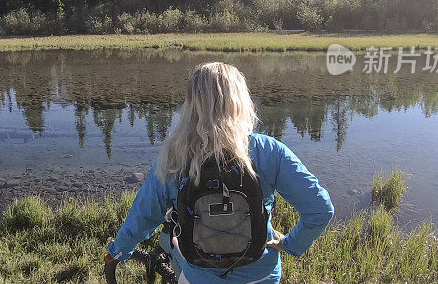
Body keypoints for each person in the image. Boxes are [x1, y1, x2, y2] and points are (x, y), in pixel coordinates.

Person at [105, 62, 334, 283]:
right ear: (240, 102)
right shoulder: (267, 151)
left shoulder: (175, 156)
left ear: (192, 104)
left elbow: (144, 216)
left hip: (200, 277)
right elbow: (320, 210)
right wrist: (291, 244)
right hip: (260, 274)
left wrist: (119, 251)